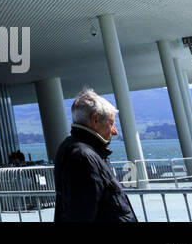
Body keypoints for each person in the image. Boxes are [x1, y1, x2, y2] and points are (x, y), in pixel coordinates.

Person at [53, 88, 136, 223]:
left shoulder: (76, 148)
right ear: (95, 119)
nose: (115, 131)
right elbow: (81, 215)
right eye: (111, 123)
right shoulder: (83, 156)